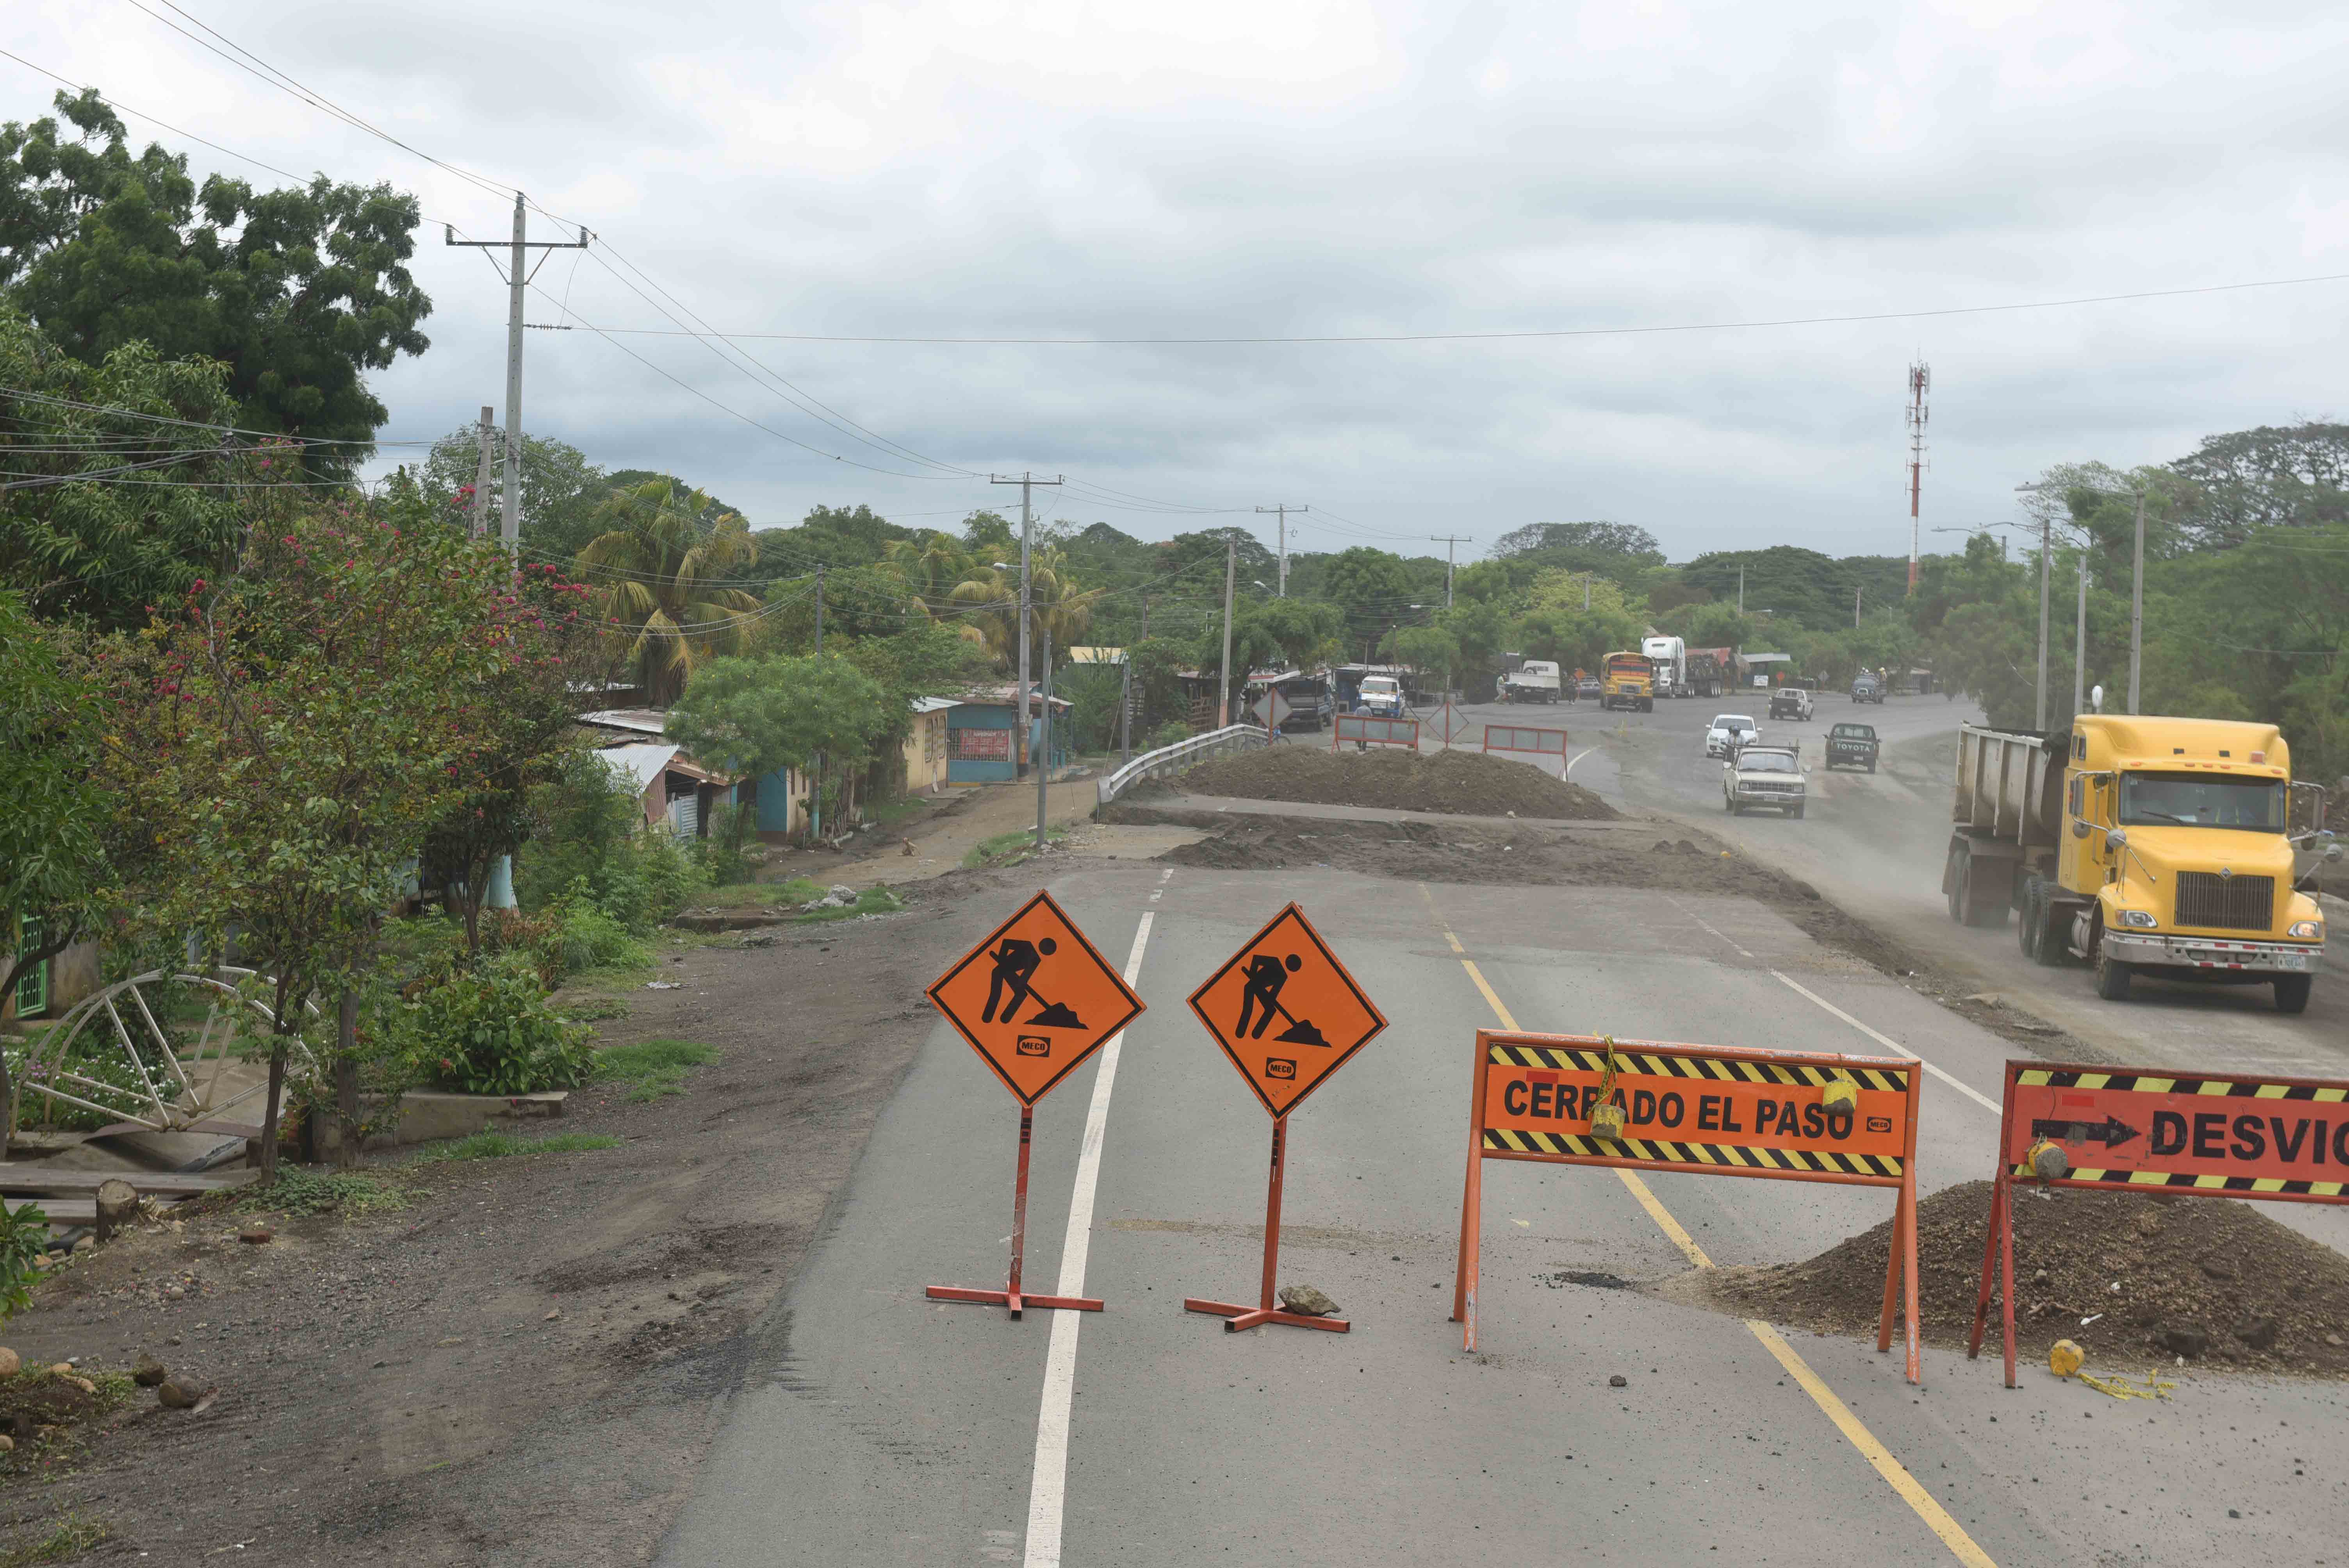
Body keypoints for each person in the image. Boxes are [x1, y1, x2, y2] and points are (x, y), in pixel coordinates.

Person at [982, 935, 1055, 1024]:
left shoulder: (1036, 960)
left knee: (1021, 994)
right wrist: (1002, 959)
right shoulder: (1027, 946)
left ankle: (1005, 1018)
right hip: (999, 970)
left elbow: (1025, 977)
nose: (1047, 950)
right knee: (996, 993)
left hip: (1010, 973)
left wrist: (1021, 983)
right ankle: (987, 1017)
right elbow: (1006, 943)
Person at [1236, 952, 1302, 1040]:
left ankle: (1256, 1034)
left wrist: (1270, 998)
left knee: (1271, 1010)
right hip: (1251, 986)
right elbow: (1256, 959)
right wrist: (1253, 974)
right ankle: (1240, 1032)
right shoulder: (1275, 962)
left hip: (1261, 990)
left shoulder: (1283, 977)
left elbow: (1273, 994)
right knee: (1248, 1008)